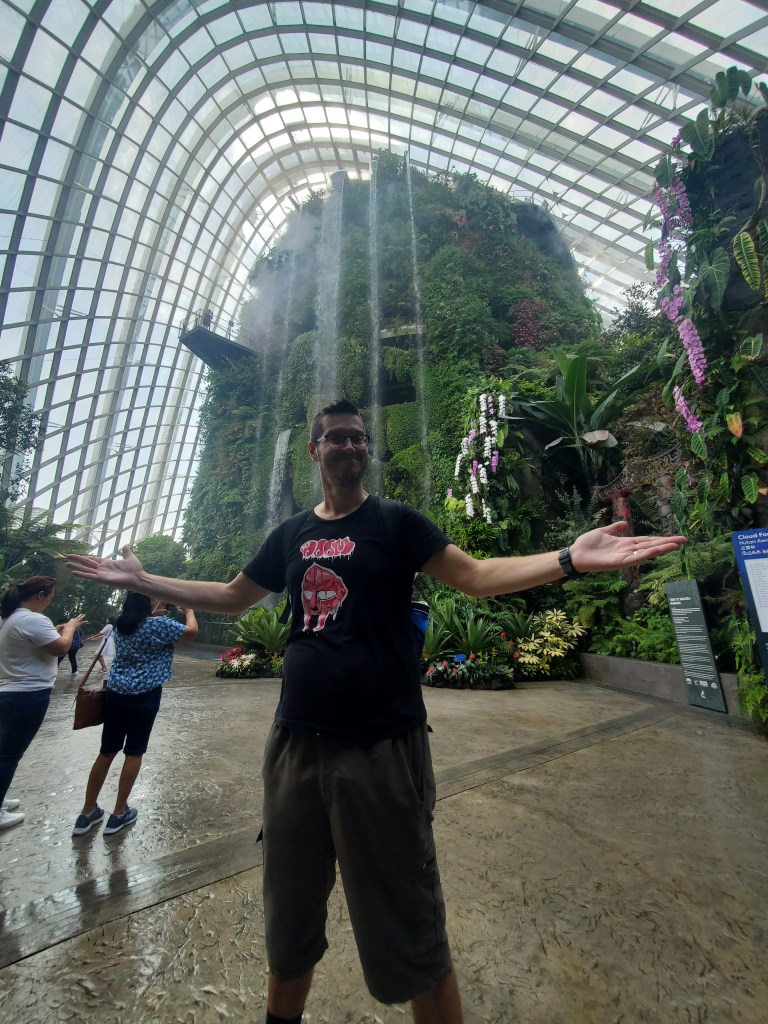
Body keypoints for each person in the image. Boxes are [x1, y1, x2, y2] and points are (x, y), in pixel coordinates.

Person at [67, 398, 687, 1022]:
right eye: (336, 437)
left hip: (382, 750)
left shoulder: (395, 522)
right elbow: (231, 596)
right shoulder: (290, 535)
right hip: (294, 751)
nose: (349, 446)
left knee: (410, 926)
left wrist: (568, 559)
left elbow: (475, 576)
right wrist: (142, 582)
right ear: (314, 450)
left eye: (358, 437)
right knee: (289, 916)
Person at [71, 594, 198, 837]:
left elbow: (142, 626)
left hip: (116, 693)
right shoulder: (159, 625)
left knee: (107, 751)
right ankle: (119, 812)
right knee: (134, 751)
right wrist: (190, 610)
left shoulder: (121, 624)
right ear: (147, 602)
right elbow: (191, 632)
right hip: (145, 695)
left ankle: (87, 812)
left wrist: (153, 614)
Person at [0, 576, 87, 830]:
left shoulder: (10, 618)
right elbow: (61, 648)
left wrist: (57, 630)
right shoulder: (33, 619)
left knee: (5, 751)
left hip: (9, 692)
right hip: (27, 694)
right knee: (9, 755)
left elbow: (33, 644)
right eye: (51, 594)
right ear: (40, 594)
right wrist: (70, 628)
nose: (51, 599)